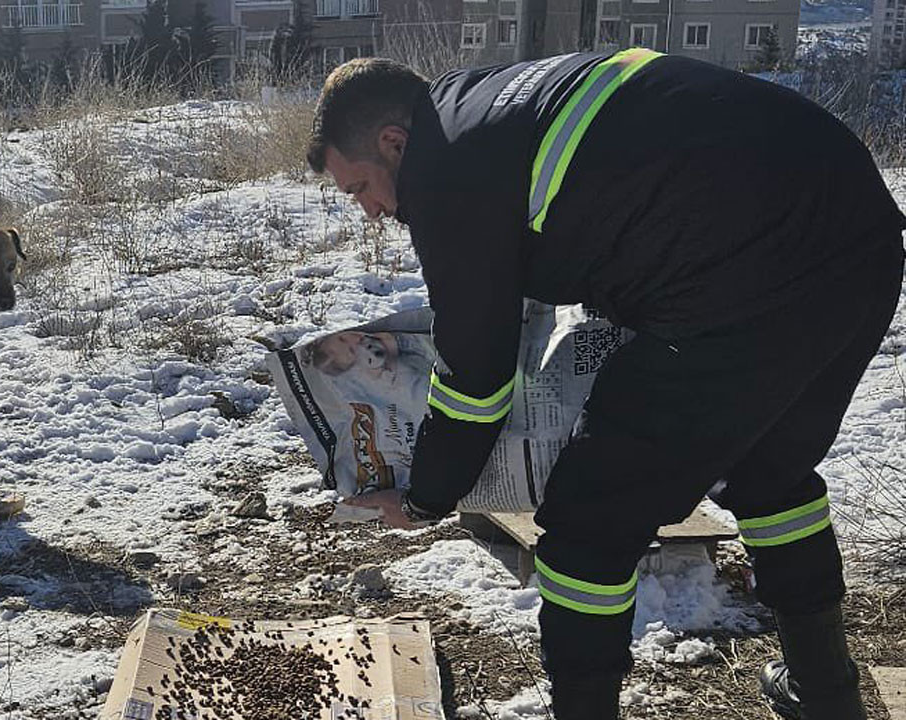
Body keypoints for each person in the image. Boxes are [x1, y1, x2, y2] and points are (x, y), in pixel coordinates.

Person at [309, 51, 904, 720]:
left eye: (359, 188)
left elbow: (475, 379)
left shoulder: (445, 167)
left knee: (587, 527)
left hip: (739, 277)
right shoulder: (496, 104)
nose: (369, 212)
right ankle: (824, 691)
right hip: (861, 237)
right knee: (773, 469)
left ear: (394, 143)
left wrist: (425, 497)